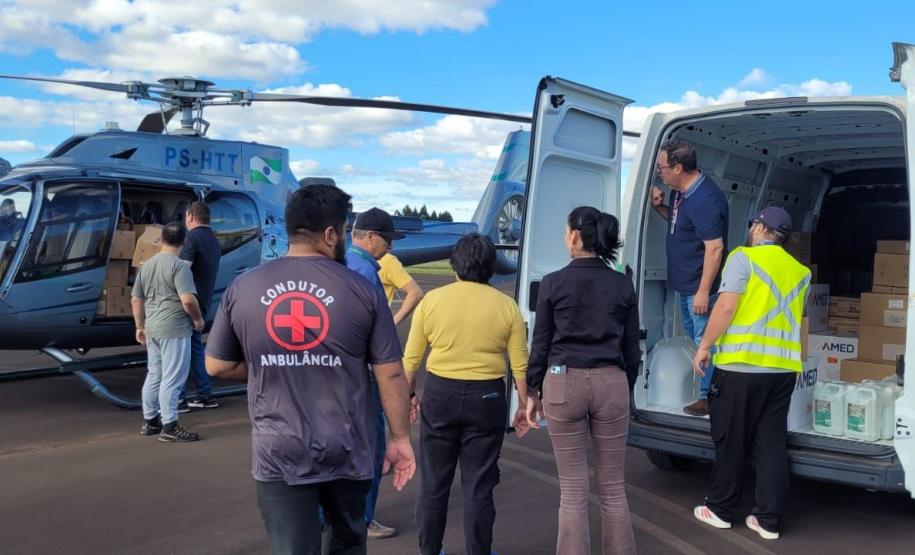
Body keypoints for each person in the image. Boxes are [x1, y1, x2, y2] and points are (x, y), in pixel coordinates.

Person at [205, 184, 415, 555]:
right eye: (344, 232)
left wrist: (273, 365)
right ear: (330, 233)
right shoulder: (363, 290)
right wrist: (399, 439)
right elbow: (391, 374)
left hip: (279, 451)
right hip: (349, 449)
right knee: (348, 542)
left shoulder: (244, 286)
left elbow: (217, 365)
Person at [404, 233, 530, 555]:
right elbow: (519, 366)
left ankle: (430, 550)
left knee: (434, 482)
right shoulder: (507, 306)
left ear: (454, 264)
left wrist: (408, 397)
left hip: (440, 392)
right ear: (491, 268)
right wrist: (523, 405)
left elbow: (411, 360)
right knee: (479, 483)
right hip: (487, 398)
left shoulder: (432, 300)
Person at [525, 206, 640, 555]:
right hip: (611, 382)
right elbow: (631, 347)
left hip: (563, 382)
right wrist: (625, 385)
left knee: (573, 490)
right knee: (613, 488)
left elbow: (541, 343)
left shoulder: (552, 283)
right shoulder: (622, 283)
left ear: (574, 236)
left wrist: (533, 390)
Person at [691, 206, 809, 541]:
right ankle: (768, 520)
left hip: (741, 367)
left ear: (759, 228)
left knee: (730, 439)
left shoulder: (743, 257)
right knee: (771, 444)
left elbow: (726, 306)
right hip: (783, 369)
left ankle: (721, 509)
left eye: (753, 225)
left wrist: (705, 346)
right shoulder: (801, 271)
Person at [650, 139, 728, 416]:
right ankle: (707, 391)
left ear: (678, 167)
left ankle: (710, 396)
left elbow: (714, 248)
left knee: (707, 340)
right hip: (684, 285)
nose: (660, 172)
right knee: (698, 340)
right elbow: (683, 227)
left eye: (662, 168)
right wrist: (660, 207)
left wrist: (703, 291)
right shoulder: (680, 193)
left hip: (698, 287)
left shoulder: (706, 199)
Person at [345, 207, 406, 540]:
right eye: (387, 240)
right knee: (373, 445)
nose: (390, 247)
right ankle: (363, 519)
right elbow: (376, 339)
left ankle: (331, 517)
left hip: (336, 373)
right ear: (369, 237)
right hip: (363, 372)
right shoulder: (366, 271)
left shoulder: (338, 262)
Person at [132, 222, 205, 443]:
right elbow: (187, 300)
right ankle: (170, 425)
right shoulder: (180, 267)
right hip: (174, 328)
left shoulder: (146, 265)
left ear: (161, 240)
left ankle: (150, 420)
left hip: (153, 328)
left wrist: (139, 326)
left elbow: (136, 298)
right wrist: (198, 319)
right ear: (184, 241)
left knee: (154, 374)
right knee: (173, 378)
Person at [177, 201, 222, 411]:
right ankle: (205, 393)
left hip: (189, 302)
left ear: (191, 216)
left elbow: (182, 271)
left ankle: (179, 398)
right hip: (204, 300)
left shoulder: (192, 238)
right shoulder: (213, 239)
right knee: (195, 348)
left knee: (180, 351)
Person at [378, 252, 424, 326]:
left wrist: (392, 324)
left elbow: (415, 293)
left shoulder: (386, 260)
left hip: (373, 327)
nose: (390, 246)